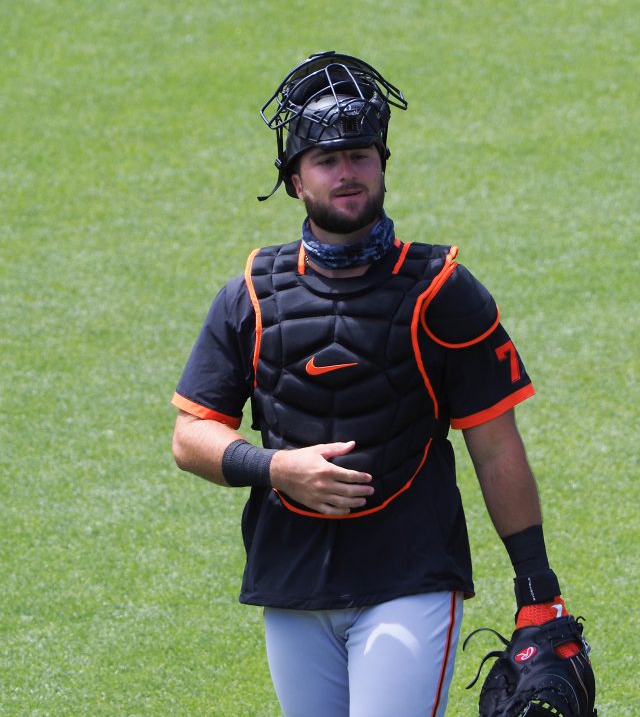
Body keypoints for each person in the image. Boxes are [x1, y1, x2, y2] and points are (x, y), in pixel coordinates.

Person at [170, 51, 578, 716]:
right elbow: (189, 437)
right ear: (296, 181)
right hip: (294, 584)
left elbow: (496, 446)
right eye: (327, 160)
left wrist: (536, 582)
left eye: (360, 155)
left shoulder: (441, 291)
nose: (347, 173)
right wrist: (275, 467)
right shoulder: (250, 295)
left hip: (410, 578)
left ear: (383, 163)